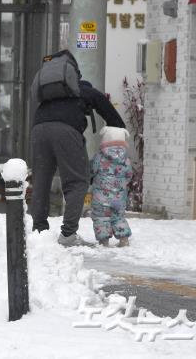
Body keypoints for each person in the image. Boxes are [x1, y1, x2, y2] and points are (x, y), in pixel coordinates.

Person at [30, 49, 126, 247]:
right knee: (77, 182)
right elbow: (107, 110)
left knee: (41, 181)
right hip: (66, 131)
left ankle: (39, 231)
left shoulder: (48, 94)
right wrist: (118, 130)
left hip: (38, 129)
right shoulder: (82, 88)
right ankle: (68, 235)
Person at [90, 126, 133, 247]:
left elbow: (92, 170)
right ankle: (123, 239)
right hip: (119, 197)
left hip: (101, 198)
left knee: (101, 217)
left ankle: (104, 241)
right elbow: (129, 175)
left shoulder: (99, 156)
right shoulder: (126, 159)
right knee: (118, 217)